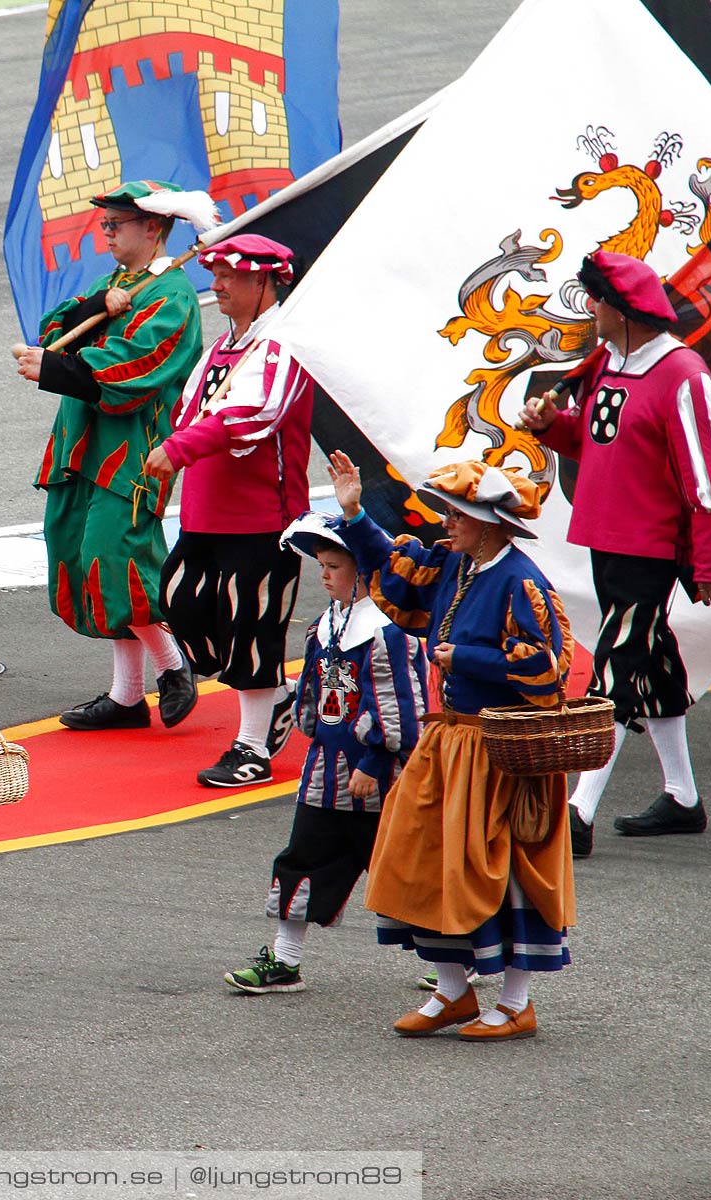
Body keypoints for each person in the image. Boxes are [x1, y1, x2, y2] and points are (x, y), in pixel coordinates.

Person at [329, 452, 574, 1041]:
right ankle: (455, 992)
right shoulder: (457, 566)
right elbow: (396, 567)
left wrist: (466, 658)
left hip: (501, 749)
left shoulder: (521, 580)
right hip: (451, 739)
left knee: (507, 869)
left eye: (455, 515)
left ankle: (516, 1003)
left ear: (487, 523)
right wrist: (356, 512)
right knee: (417, 855)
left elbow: (548, 668)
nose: (444, 523)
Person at [521, 250, 711, 857]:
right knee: (652, 666)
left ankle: (577, 812)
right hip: (607, 536)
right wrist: (548, 427)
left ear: (622, 309)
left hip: (649, 546)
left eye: (596, 299)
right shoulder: (609, 362)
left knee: (613, 668)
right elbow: (598, 447)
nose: (589, 308)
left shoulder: (683, 376)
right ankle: (683, 797)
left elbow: (708, 481)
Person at [11, 181, 208, 733]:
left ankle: (174, 663)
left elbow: (138, 367)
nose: (106, 231)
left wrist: (58, 370)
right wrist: (97, 305)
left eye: (116, 224)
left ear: (153, 228)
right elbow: (56, 329)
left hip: (130, 454)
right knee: (80, 559)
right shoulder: (116, 283)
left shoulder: (173, 296)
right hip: (80, 446)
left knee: (115, 560)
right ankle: (126, 698)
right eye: (105, 224)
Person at [223, 512, 425, 995]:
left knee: (405, 869)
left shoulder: (386, 631)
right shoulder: (323, 626)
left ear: (363, 571)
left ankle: (457, 958)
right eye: (322, 565)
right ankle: (286, 960)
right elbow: (313, 698)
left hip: (377, 779)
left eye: (334, 565)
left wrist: (375, 762)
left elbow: (404, 707)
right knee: (301, 858)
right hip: (324, 774)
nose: (324, 574)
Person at [145, 235, 315, 786]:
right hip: (205, 511)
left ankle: (252, 748)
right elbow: (189, 411)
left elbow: (254, 413)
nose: (214, 285)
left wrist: (178, 449)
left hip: (262, 516)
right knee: (178, 599)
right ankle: (274, 693)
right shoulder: (224, 346)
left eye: (227, 277)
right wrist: (176, 444)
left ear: (261, 281)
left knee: (252, 628)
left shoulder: (286, 344)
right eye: (215, 274)